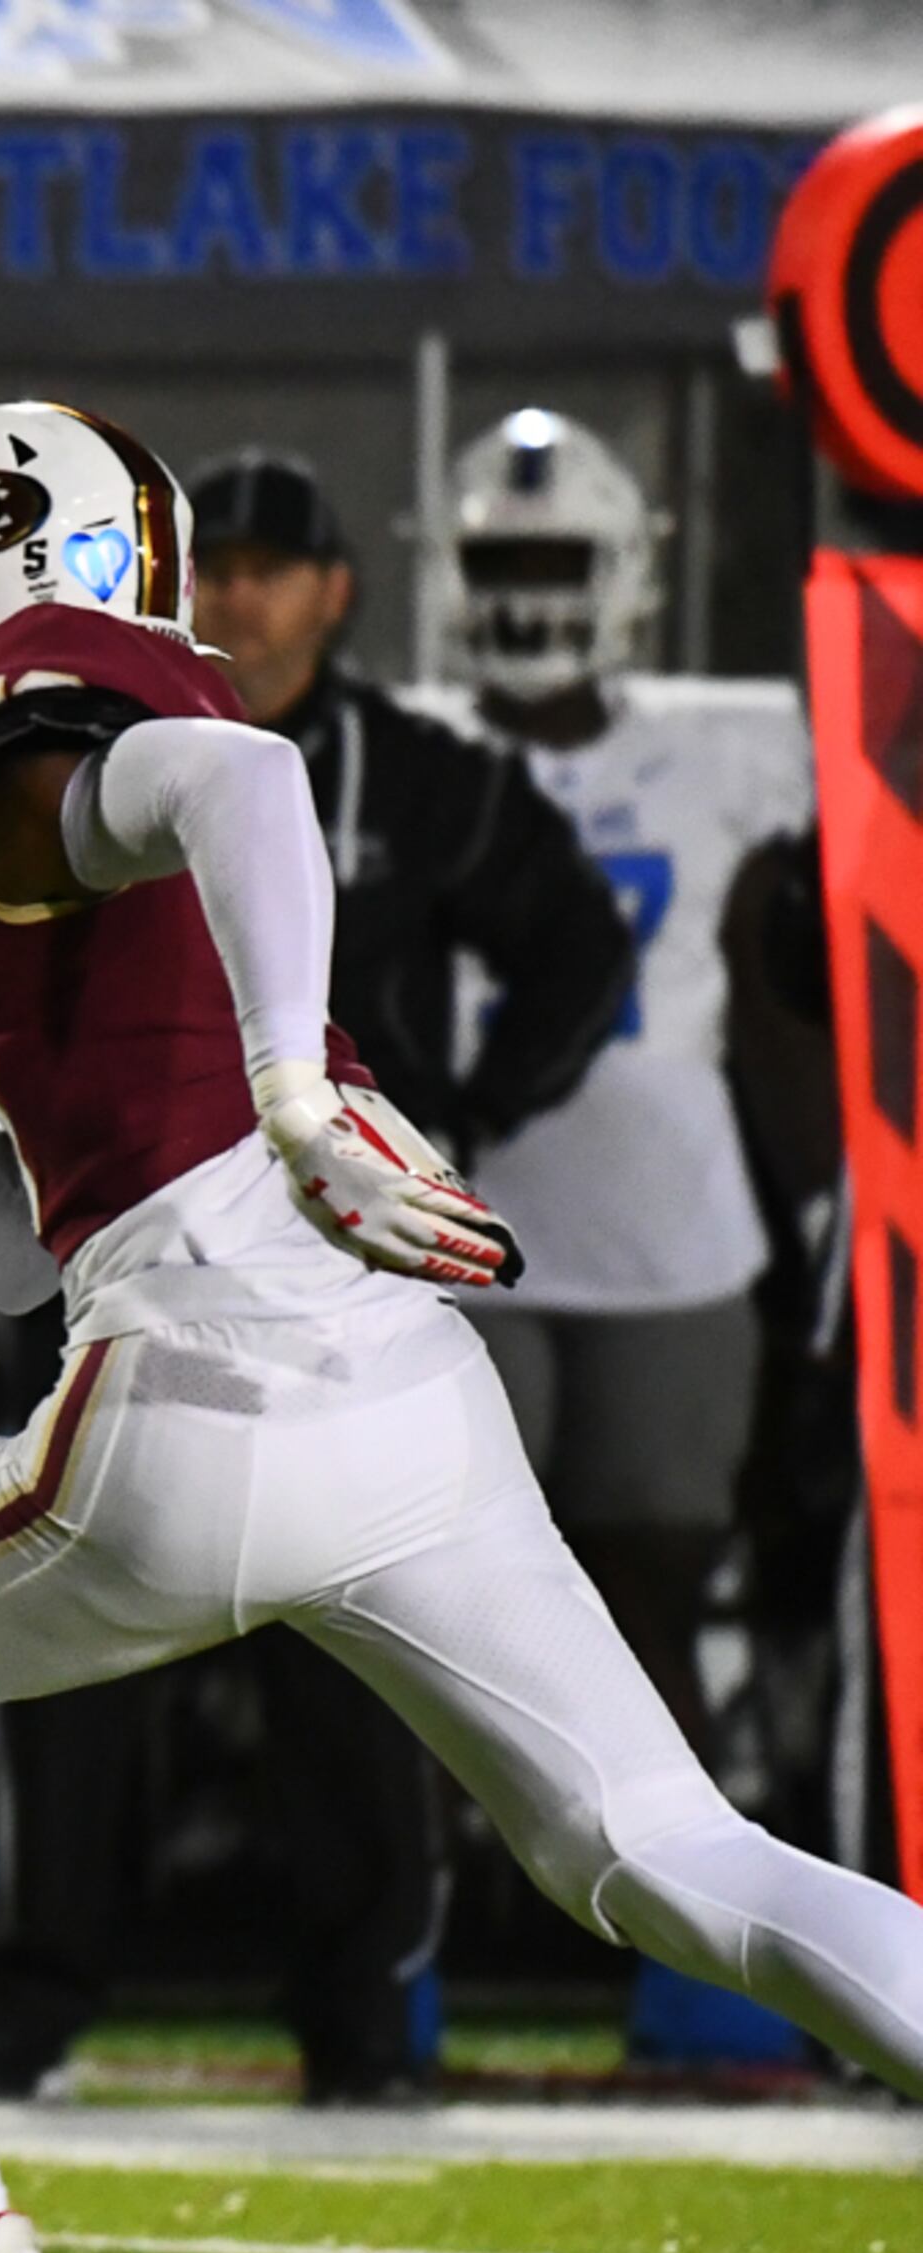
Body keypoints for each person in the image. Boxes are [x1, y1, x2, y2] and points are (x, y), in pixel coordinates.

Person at [0, 400, 923, 2253]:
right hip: (396, 1390)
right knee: (662, 1847)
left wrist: (289, 1077)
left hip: (201, 1381)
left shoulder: (29, 702)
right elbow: (13, 1246)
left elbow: (246, 769)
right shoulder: (28, 786)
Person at [0, 452, 639, 2106]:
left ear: (340, 591)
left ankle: (360, 2004)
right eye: (216, 568)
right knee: (38, 1645)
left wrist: (445, 1106)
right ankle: (34, 1993)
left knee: (364, 1646)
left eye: (274, 568)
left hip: (333, 1267)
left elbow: (575, 938)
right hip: (126, 1255)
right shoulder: (85, 755)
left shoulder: (409, 774)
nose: (238, 597)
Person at [419, 410, 823, 2067]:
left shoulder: (741, 748)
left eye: (554, 559)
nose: (528, 594)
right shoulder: (401, 741)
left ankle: (696, 1962)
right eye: (501, 561)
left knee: (656, 1586)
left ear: (632, 572)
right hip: (453, 1211)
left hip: (673, 1228)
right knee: (443, 1604)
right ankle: (407, 1948)